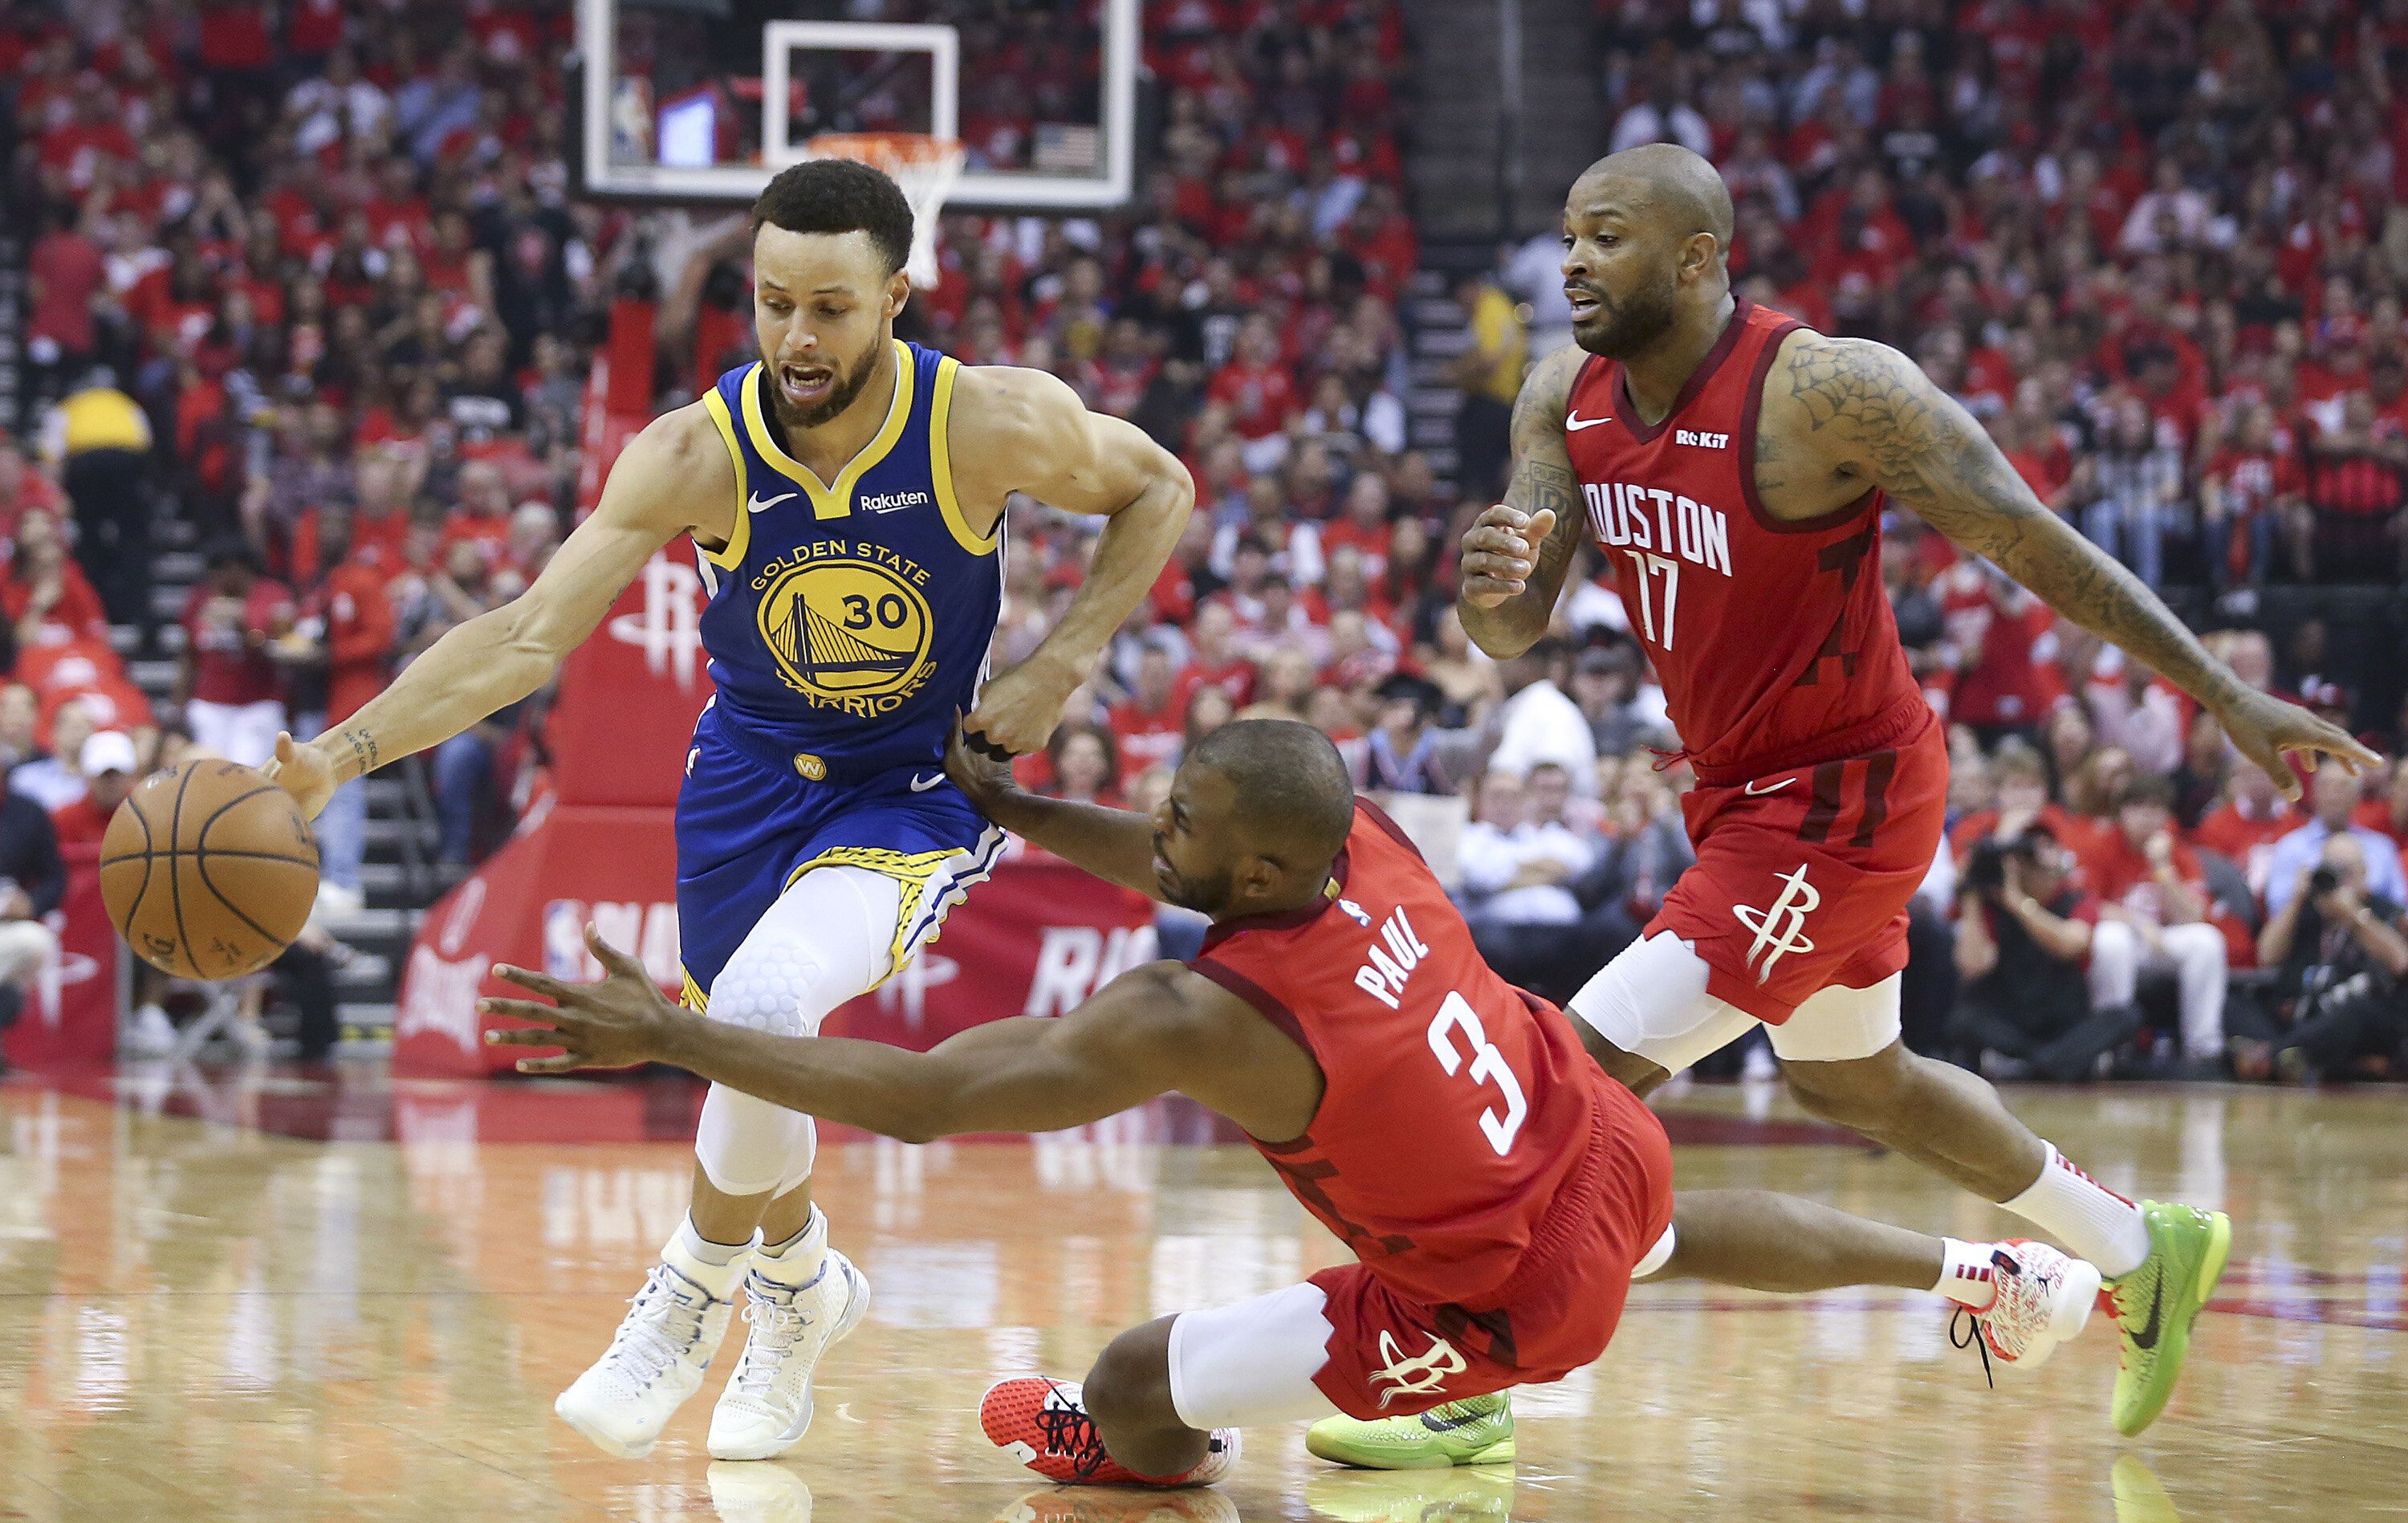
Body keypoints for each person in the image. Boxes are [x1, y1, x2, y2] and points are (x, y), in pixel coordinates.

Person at [481, 719, 2101, 1489]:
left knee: (1123, 1386)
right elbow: (1182, 852)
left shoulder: (1207, 1013)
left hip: (1496, 1290)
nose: (1154, 831)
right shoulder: (1361, 838)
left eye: (1177, 819)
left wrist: (677, 1035)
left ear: (1258, 871)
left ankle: (1144, 1463)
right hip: (1589, 1129)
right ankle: (1985, 1275)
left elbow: (915, 1099)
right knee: (1667, 1233)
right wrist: (1027, 810)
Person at [1438, 144, 2377, 1444]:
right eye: (1568, 234)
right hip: (1740, 794)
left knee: (1561, 1081)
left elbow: (2029, 535)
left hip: (1840, 799)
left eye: (1606, 236)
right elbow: (1508, 625)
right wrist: (1489, 582)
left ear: (1700, 257)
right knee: (1854, 1080)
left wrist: (2224, 691)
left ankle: (1468, 1385)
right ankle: (2137, 1243)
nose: (1573, 262)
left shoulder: (1824, 390)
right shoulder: (1561, 395)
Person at [265, 160, 1193, 1464]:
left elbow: (1162, 486)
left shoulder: (985, 421)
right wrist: (338, 755)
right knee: (757, 1053)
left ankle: (688, 1295)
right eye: (772, 305)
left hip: (914, 790)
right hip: (744, 785)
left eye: (829, 307)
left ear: (896, 301)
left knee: (756, 1016)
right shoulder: (699, 451)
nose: (797, 338)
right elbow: (530, 635)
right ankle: (803, 1295)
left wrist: (1060, 662)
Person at [1949, 826, 2138, 1081]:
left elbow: (2069, 946)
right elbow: (1972, 966)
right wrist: (1970, 895)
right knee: (1963, 1019)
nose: (2046, 875)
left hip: (2063, 1020)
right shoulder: (1992, 905)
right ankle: (2049, 1063)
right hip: (2012, 1017)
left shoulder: (2077, 900)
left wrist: (2019, 903)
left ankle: (2037, 1064)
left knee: (2127, 1016)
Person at [2252, 836, 2408, 1083]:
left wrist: (2354, 916)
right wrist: (2296, 900)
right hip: (2304, 1015)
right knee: (2236, 1000)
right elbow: (2266, 956)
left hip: (2361, 1019)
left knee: (2357, 1011)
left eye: (2346, 872)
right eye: (2330, 870)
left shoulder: (2381, 910)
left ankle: (2269, 1057)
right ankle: (2286, 1056)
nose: (2338, 881)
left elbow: (2401, 961)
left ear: (2364, 874)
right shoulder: (2308, 911)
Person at [2263, 767, 2408, 917]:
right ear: (2313, 794)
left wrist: (2365, 897)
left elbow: (2400, 911)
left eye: (2342, 787)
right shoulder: (2290, 847)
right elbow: (2275, 910)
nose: (2333, 796)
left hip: (2368, 932)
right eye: (2325, 787)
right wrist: (2301, 895)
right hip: (2306, 934)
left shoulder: (2382, 848)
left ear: (2358, 796)